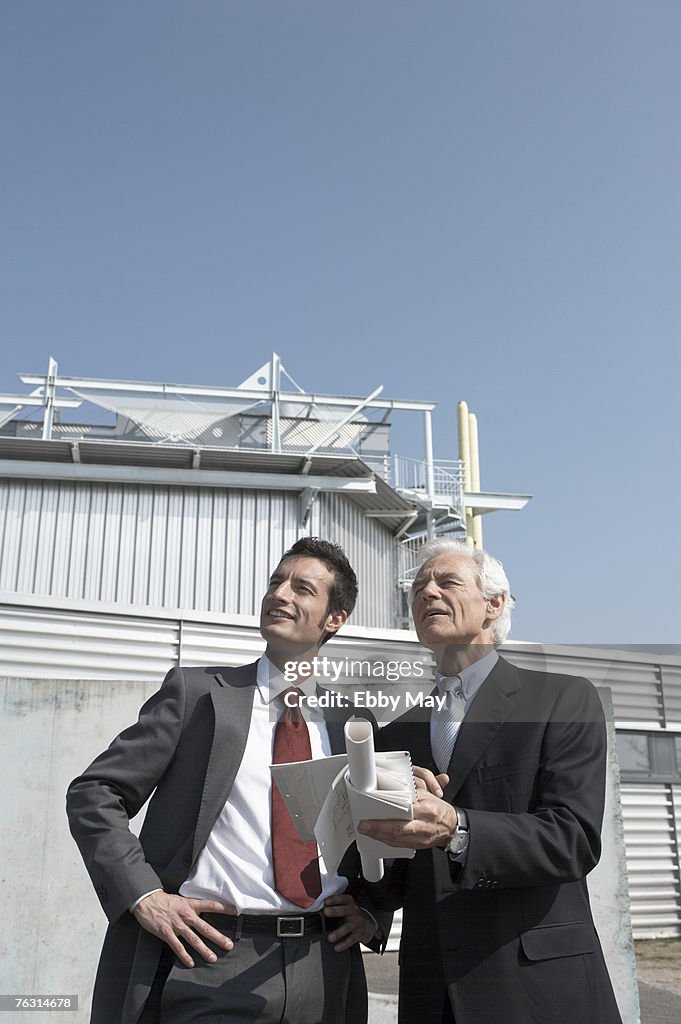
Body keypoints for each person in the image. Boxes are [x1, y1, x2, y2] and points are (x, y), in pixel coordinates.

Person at [67, 537, 389, 1024]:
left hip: (326, 966)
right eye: (276, 582)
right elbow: (94, 794)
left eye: (302, 588)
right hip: (211, 958)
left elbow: (379, 834)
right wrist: (143, 895)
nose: (280, 594)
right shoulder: (197, 695)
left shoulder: (354, 723)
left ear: (334, 618)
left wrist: (370, 911)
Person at [358, 538, 623, 1024]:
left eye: (447, 582)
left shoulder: (560, 700)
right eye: (418, 588)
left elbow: (574, 839)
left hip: (536, 988)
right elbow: (399, 861)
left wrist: (458, 828)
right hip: (431, 991)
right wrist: (367, 909)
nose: (427, 593)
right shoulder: (397, 734)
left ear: (494, 604)